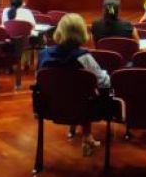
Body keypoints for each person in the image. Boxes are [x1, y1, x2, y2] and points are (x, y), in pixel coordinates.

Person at [38, 13, 110, 156]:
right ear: (82, 32)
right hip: (84, 107)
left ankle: (86, 136)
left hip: (51, 107)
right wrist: (106, 73)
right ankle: (87, 137)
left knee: (78, 90)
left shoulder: (43, 54)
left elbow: (39, 80)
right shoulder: (84, 57)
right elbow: (103, 82)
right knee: (86, 93)